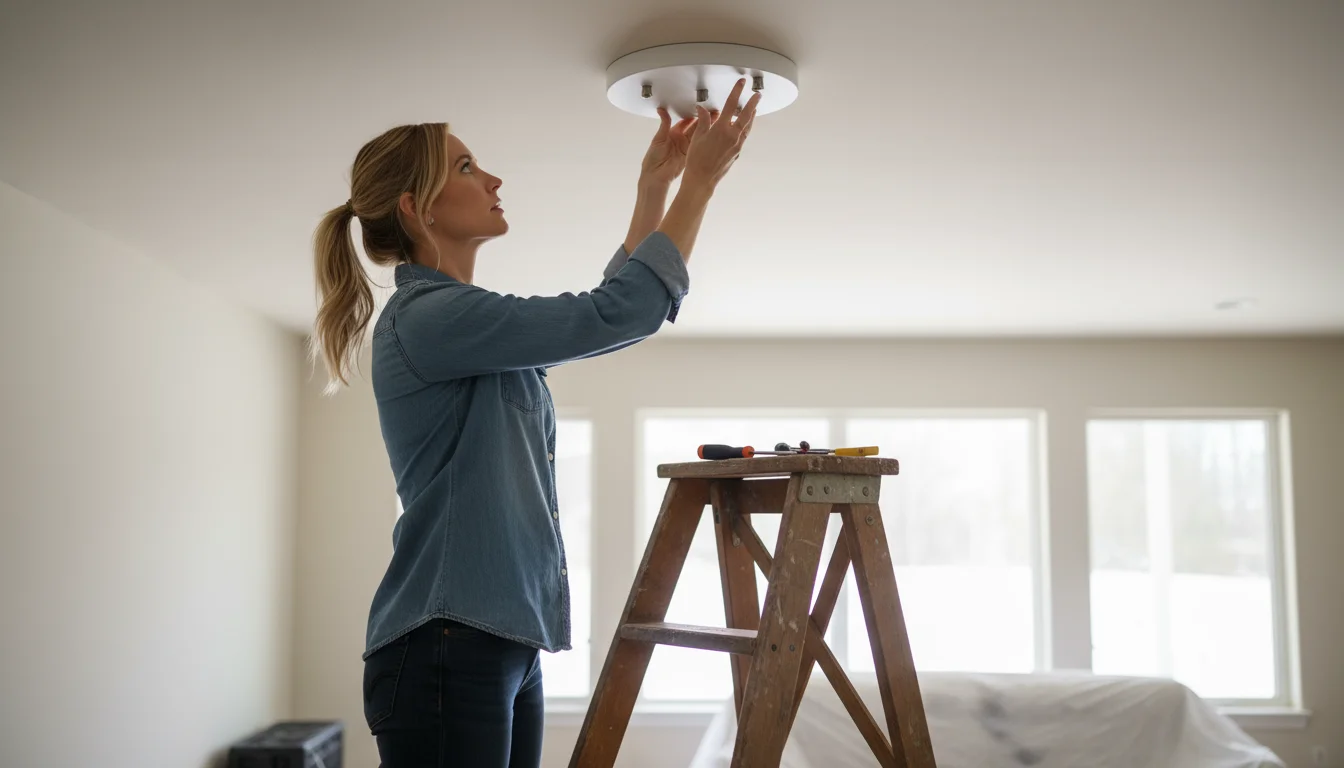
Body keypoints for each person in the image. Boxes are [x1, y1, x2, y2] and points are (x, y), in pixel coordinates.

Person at [310, 78, 761, 767]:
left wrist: (655, 189)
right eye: (465, 167)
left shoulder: (471, 330)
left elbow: (610, 315)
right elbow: (618, 312)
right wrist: (699, 182)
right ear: (416, 207)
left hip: (496, 642)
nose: (492, 177)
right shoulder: (432, 320)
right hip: (445, 644)